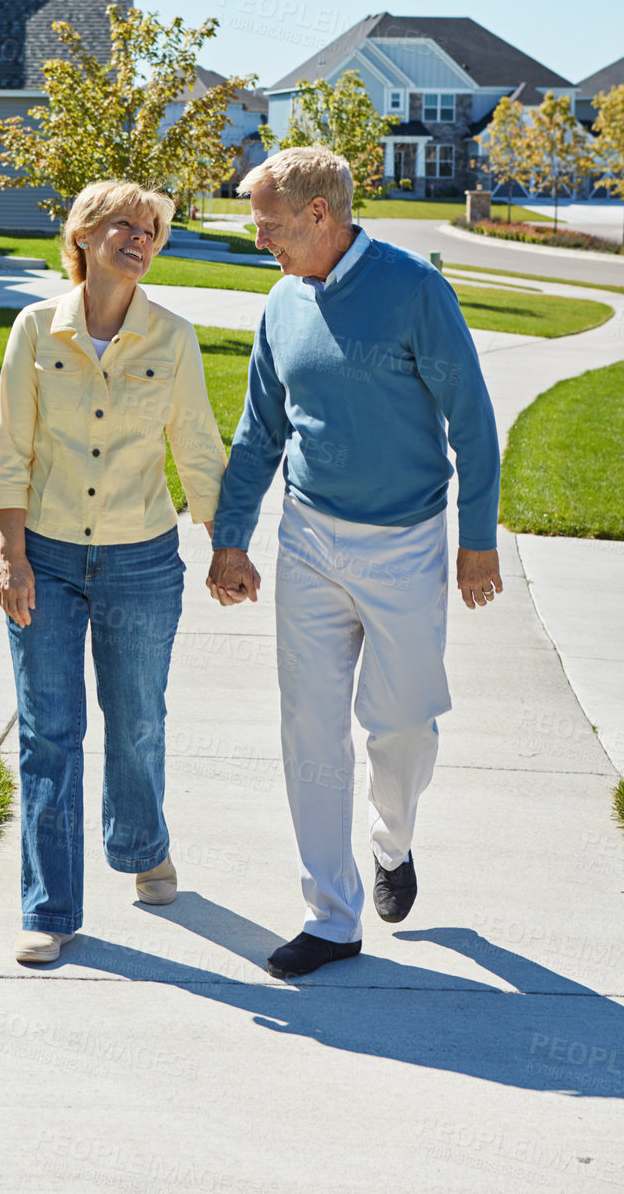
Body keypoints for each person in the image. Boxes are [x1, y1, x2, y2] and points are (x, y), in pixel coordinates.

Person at [206, 146, 502, 981]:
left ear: (319, 215)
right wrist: (233, 537)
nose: (258, 235)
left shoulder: (415, 292)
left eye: (267, 222)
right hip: (309, 539)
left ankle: (392, 840)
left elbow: (472, 422)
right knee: (309, 727)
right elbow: (260, 430)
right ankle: (330, 916)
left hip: (407, 543)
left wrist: (476, 540)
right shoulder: (282, 301)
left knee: (402, 727)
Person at [0, 179, 226, 965]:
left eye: (152, 229)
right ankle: (50, 906)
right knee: (49, 735)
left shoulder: (174, 337)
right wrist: (11, 556)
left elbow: (196, 446)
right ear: (83, 236)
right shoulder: (34, 329)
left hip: (142, 560)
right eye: (123, 224)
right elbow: (9, 450)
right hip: (46, 560)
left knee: (137, 722)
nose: (140, 238)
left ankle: (143, 846)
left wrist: (227, 546)